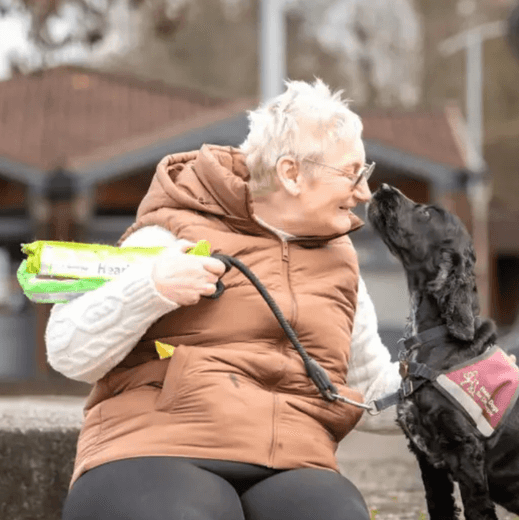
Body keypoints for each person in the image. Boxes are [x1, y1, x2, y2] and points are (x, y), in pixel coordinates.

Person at [48, 79, 403, 520]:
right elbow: (66, 349)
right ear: (291, 173)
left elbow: (367, 391)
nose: (365, 193)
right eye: (353, 174)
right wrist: (152, 287)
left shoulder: (342, 264)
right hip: (158, 444)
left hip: (293, 457)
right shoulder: (167, 233)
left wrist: (451, 384)